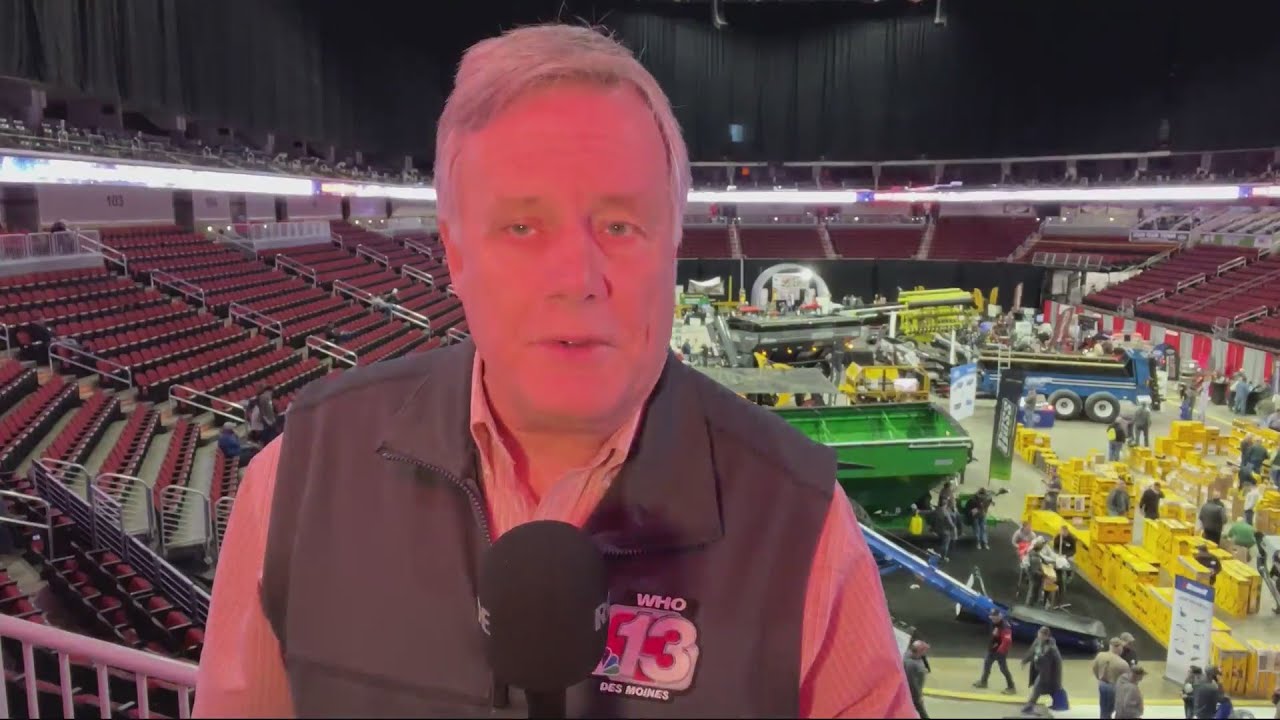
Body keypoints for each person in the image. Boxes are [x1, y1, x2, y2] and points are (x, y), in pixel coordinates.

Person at [193, 23, 913, 719]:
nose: (577, 277)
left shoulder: (805, 528)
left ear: (673, 248)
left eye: (620, 226)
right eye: (521, 227)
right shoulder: (295, 484)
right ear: (455, 253)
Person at [973, 608, 1017, 694]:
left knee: (1003, 669)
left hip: (1000, 651)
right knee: (987, 665)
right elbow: (994, 635)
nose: (993, 620)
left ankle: (1011, 687)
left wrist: (1000, 650)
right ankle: (983, 682)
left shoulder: (1005, 626)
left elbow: (1007, 640)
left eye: (994, 618)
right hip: (992, 649)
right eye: (992, 618)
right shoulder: (993, 622)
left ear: (999, 616)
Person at [1021, 627, 1064, 714]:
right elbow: (1032, 651)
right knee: (1049, 689)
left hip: (1048, 671)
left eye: (1041, 635)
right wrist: (1025, 660)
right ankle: (1059, 704)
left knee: (1039, 688)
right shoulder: (1037, 641)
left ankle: (1028, 707)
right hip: (1039, 669)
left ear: (1047, 637)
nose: (1039, 636)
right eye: (1039, 634)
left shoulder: (1051, 649)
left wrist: (1044, 679)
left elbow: (1052, 663)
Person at [1092, 638, 1131, 720]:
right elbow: (1127, 681)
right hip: (1114, 687)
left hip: (1102, 684)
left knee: (1103, 708)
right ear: (1119, 647)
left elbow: (1094, 668)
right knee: (1111, 709)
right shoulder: (1123, 663)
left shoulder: (1100, 655)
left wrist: (1099, 678)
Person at [903, 640, 930, 719]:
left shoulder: (912, 654)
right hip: (913, 694)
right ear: (919, 651)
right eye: (924, 650)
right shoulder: (911, 664)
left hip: (912, 693)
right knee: (922, 712)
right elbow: (912, 683)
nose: (926, 651)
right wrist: (919, 696)